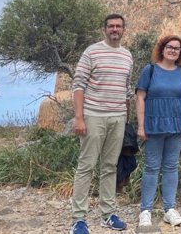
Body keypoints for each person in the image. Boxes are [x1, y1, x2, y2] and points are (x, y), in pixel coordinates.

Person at [70, 14, 133, 234]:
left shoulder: (127, 55)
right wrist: (79, 117)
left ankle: (108, 214)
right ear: (104, 29)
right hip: (93, 115)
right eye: (111, 26)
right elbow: (78, 84)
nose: (115, 29)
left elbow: (126, 89)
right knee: (86, 166)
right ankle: (78, 219)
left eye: (118, 26)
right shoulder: (92, 51)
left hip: (117, 118)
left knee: (110, 167)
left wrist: (126, 118)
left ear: (124, 29)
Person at [135, 35, 181, 229]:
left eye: (177, 48)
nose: (173, 50)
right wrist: (141, 125)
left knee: (171, 166)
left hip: (176, 126)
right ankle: (146, 211)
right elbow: (140, 97)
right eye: (170, 47)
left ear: (180, 52)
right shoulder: (150, 70)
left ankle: (169, 209)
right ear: (162, 49)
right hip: (154, 125)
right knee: (151, 167)